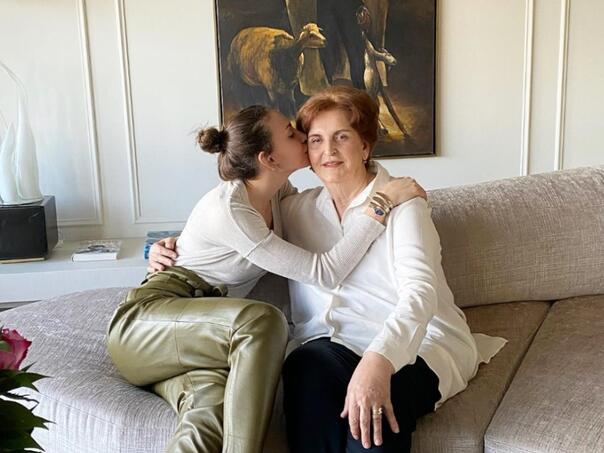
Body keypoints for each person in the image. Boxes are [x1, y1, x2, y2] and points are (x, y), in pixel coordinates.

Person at [109, 104, 426, 453]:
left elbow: (313, 231)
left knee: (209, 423)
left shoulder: (280, 195)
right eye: (291, 134)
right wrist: (381, 203)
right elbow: (326, 272)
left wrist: (172, 242)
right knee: (261, 321)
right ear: (269, 159)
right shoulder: (233, 210)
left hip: (203, 338)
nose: (303, 136)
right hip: (147, 324)